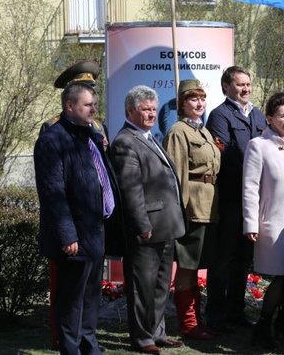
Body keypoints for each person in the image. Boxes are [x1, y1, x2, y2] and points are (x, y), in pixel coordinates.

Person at [34, 82, 118, 355]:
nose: (93, 109)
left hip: (95, 229)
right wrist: (67, 235)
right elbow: (53, 193)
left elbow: (101, 179)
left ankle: (88, 344)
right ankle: (71, 348)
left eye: (94, 104)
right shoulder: (53, 139)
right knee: (72, 299)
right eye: (87, 105)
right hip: (75, 235)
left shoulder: (90, 136)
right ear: (70, 106)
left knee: (91, 295)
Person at [110, 85, 186, 354]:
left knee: (161, 285)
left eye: (154, 109)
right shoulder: (125, 142)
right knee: (142, 285)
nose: (152, 114)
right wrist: (142, 225)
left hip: (166, 225)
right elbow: (131, 190)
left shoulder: (150, 137)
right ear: (130, 110)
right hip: (147, 228)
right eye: (146, 109)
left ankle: (158, 332)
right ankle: (142, 338)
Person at [243, 92, 284, 350]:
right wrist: (250, 223)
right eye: (282, 116)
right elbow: (249, 187)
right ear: (269, 117)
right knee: (279, 278)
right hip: (272, 221)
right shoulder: (258, 145)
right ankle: (263, 325)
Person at [205, 66, 266, 331]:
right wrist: (257, 167)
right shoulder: (219, 116)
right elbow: (227, 156)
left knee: (243, 259)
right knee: (224, 258)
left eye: (248, 84)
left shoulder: (258, 114)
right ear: (226, 87)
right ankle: (216, 314)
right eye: (240, 84)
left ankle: (236, 312)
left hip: (255, 200)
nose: (245, 89)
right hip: (231, 198)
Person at [162, 79, 221, 340]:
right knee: (187, 267)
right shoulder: (178, 131)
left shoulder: (204, 132)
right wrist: (179, 212)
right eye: (192, 99)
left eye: (202, 98)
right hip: (192, 209)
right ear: (182, 104)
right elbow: (176, 175)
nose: (199, 103)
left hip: (210, 207)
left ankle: (197, 319)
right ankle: (187, 323)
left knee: (197, 267)